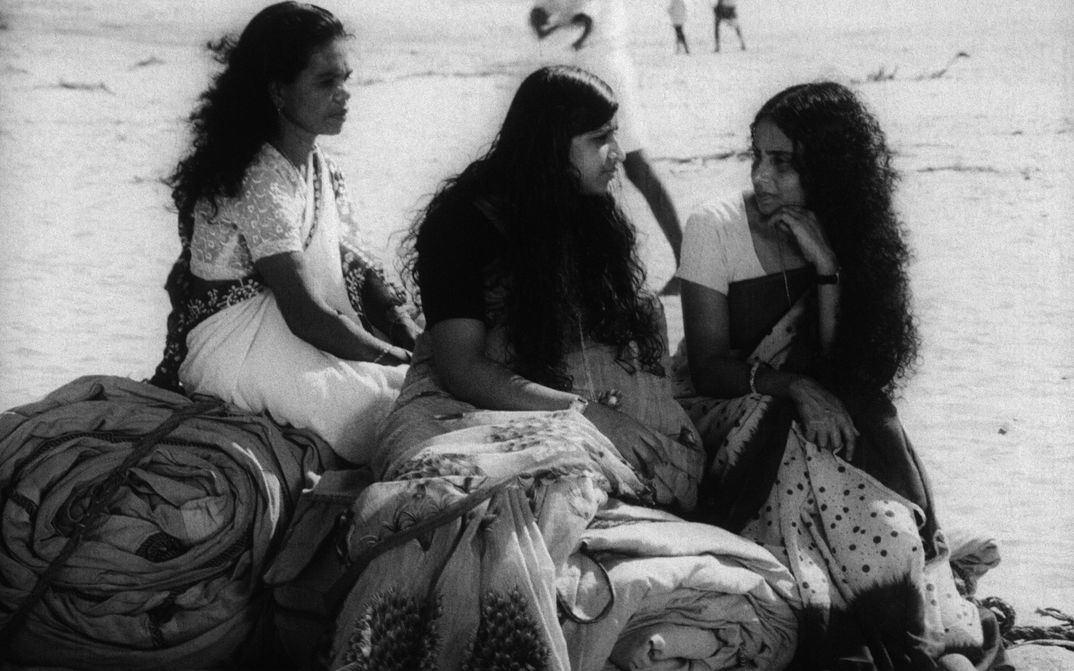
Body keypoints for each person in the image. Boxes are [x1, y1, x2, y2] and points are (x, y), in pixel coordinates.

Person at [322, 66, 800, 671]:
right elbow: (462, 367)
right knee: (466, 501)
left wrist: (612, 409)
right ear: (552, 143)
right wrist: (586, 417)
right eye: (599, 138)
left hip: (568, 393)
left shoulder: (588, 211)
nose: (615, 154)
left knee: (654, 462)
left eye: (615, 133)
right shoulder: (465, 222)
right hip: (467, 401)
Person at [673, 82, 1010, 669]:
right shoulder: (716, 225)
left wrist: (826, 265)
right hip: (735, 409)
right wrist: (796, 387)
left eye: (783, 162)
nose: (762, 177)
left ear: (829, 170)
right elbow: (707, 369)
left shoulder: (848, 230)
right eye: (756, 157)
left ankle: (908, 597)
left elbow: (845, 367)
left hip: (825, 415)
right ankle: (881, 613)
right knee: (808, 440)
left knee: (864, 415)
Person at [149, 2, 420, 464]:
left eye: (346, 79)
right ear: (278, 91)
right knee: (381, 416)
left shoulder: (321, 170)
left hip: (291, 336)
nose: (344, 95)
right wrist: (398, 357)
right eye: (326, 82)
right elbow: (306, 314)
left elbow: (353, 270)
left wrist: (412, 345)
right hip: (237, 349)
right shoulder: (258, 176)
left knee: (412, 397)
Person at [529, 0, 685, 294]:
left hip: (606, 71)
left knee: (635, 167)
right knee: (573, 168)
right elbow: (542, 12)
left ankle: (685, 263)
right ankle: (580, 270)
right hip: (580, 71)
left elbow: (582, 23)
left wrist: (550, 31)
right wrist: (543, 21)